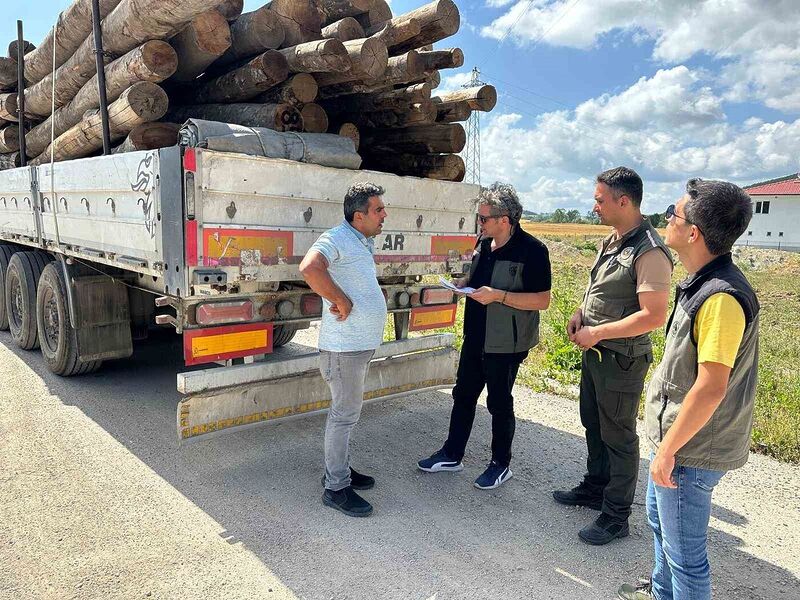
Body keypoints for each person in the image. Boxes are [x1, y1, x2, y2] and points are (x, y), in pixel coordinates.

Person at [618, 179, 759, 600]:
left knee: (686, 556)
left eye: (674, 213)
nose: (667, 219)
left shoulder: (721, 297)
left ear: (693, 232)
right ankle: (661, 593)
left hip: (690, 449)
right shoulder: (702, 283)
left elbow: (712, 386)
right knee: (660, 524)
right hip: (681, 443)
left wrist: (668, 450)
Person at [553, 167, 673, 545]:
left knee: (618, 435)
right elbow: (602, 291)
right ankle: (595, 487)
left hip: (620, 358)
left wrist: (598, 332)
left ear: (624, 201)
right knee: (594, 422)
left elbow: (653, 316)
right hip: (597, 352)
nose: (594, 205)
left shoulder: (648, 250)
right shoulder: (614, 239)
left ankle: (616, 515)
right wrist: (580, 314)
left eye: (600, 199)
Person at [417, 182, 551, 489]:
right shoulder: (483, 243)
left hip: (507, 342)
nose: (480, 223)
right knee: (463, 395)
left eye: (484, 218)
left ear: (504, 220)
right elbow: (476, 281)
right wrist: (461, 283)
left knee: (499, 402)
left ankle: (500, 465)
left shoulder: (533, 251)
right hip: (475, 336)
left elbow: (541, 300)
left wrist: (498, 296)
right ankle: (452, 454)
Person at [299, 182, 388, 518]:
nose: (384, 215)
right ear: (358, 215)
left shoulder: (359, 241)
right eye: (378, 210)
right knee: (344, 415)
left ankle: (341, 471)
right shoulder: (337, 236)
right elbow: (310, 267)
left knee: (348, 413)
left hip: (358, 346)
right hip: (344, 349)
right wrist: (339, 299)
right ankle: (336, 488)